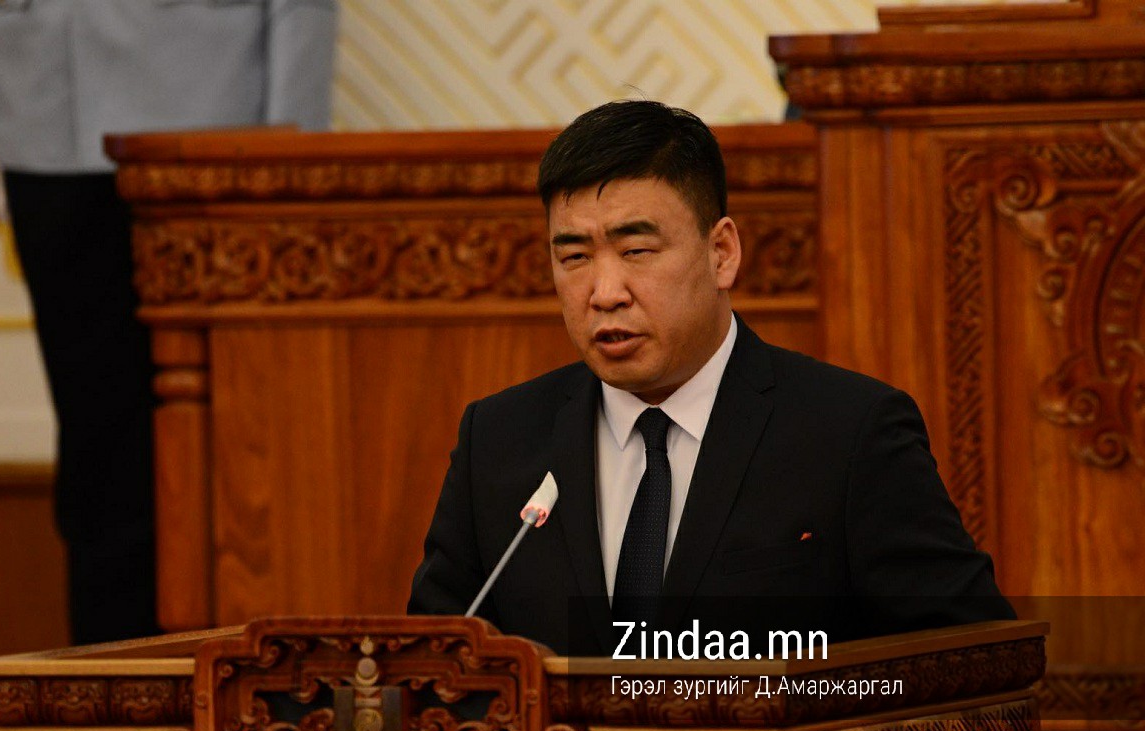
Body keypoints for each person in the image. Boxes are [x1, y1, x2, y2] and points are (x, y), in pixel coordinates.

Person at [408, 100, 1013, 657]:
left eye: (637, 251)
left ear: (721, 253)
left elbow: (975, 658)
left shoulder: (849, 435)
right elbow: (431, 672)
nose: (604, 292)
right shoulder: (499, 439)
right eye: (574, 257)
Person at [0, 0, 337, 644]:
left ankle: (234, 666)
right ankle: (110, 669)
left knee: (235, 432)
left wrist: (290, 138)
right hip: (45, 117)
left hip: (213, 123)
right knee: (94, 431)